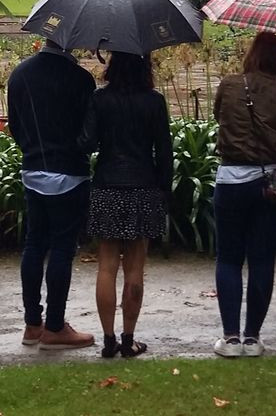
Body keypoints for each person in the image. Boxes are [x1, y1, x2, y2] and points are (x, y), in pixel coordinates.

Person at [210, 31, 276, 358]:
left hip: (231, 179)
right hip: (270, 184)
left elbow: (217, 117)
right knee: (262, 259)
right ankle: (253, 338)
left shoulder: (229, 85)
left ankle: (230, 338)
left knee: (228, 258)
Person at [79, 50, 173, 359]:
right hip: (143, 187)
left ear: (114, 65)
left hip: (107, 185)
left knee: (106, 266)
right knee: (135, 268)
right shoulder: (154, 101)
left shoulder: (99, 99)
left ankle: (108, 340)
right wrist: (163, 192)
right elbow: (164, 151)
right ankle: (129, 338)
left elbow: (88, 144)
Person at [7, 38, 98, 350]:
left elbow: (15, 127)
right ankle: (56, 327)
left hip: (32, 169)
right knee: (62, 248)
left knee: (34, 244)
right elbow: (89, 135)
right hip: (70, 173)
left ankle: (33, 324)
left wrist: (34, 151)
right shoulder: (81, 79)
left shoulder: (20, 74)